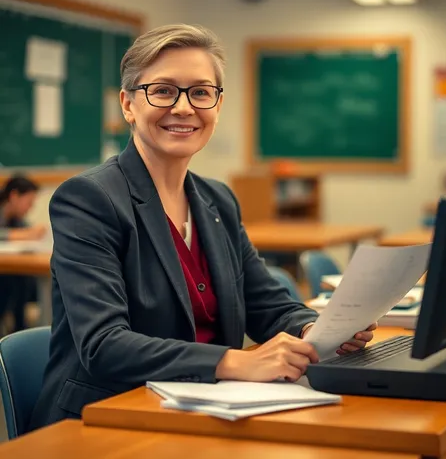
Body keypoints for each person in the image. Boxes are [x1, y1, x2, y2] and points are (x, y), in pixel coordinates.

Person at [29, 24, 375, 430]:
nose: (183, 107)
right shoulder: (88, 200)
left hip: (209, 410)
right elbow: (104, 345)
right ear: (128, 104)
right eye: (162, 90)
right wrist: (235, 360)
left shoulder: (218, 200)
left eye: (200, 92)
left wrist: (317, 329)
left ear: (217, 104)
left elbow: (265, 303)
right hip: (108, 418)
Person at [0, 175, 45, 332]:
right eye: (29, 203)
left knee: (25, 279)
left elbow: (26, 231)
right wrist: (25, 234)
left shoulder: (16, 219)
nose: (30, 208)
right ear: (14, 196)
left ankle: (20, 326)